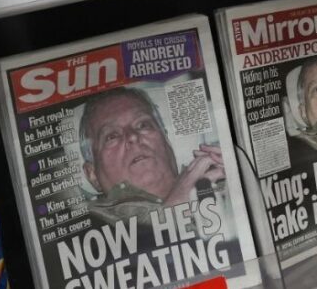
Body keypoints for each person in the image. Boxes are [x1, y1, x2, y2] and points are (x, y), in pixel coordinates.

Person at [79, 87, 225, 225]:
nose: (133, 137)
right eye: (112, 136)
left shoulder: (216, 178)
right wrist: (175, 210)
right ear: (93, 175)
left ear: (166, 140)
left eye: (143, 125)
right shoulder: (91, 222)